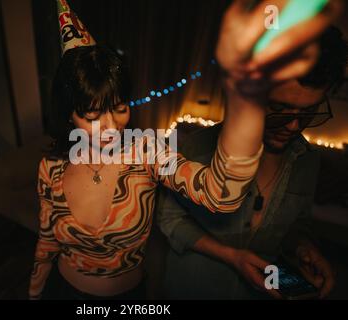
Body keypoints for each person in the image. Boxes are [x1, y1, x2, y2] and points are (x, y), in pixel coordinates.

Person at [28, 0, 341, 300]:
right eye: (92, 116)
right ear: (69, 114)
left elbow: (222, 194)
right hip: (62, 290)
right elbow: (47, 241)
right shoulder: (51, 168)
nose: (111, 128)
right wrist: (36, 290)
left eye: (120, 108)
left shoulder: (147, 151)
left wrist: (247, 97)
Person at [157, 25, 347, 300]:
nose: (293, 126)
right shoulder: (196, 146)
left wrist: (303, 246)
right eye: (279, 109)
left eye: (308, 112)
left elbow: (298, 222)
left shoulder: (308, 159)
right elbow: (169, 219)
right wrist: (232, 257)